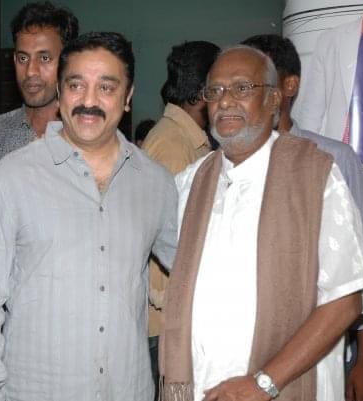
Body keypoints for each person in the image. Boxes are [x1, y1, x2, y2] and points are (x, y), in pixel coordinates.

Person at [0, 32, 178, 401]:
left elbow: (193, 273)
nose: (89, 101)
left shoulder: (156, 183)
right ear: (59, 93)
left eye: (106, 87)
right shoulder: (11, 178)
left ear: (128, 97)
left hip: (128, 389)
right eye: (76, 85)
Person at [160, 45, 363, 401]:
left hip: (282, 386)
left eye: (242, 88)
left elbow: (345, 300)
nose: (225, 101)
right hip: (201, 386)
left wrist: (263, 383)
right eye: (215, 90)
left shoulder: (315, 175)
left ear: (274, 100)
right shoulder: (190, 183)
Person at [243, 33, 363, 401]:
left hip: (320, 344)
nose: (244, 95)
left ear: (289, 86)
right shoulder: (225, 163)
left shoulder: (334, 158)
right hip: (244, 346)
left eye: (256, 81)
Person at [140, 41, 219, 397]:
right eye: (220, 88)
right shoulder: (172, 145)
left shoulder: (188, 140)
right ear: (202, 93)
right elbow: (165, 240)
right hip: (164, 322)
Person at [0, 1, 79, 174]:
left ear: (69, 62)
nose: (30, 71)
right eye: (23, 58)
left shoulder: (89, 134)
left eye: (44, 58)